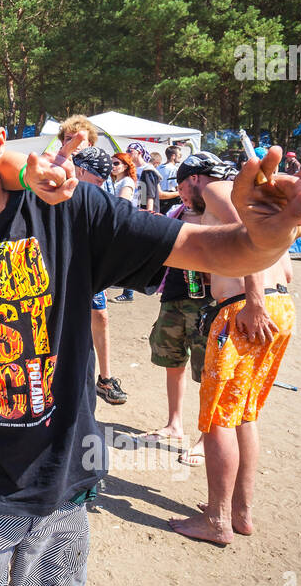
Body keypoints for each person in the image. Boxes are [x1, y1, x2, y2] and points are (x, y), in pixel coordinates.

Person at [0, 74, 301, 586]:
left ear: (0, 141)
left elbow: (223, 252)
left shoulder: (73, 209)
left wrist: (266, 237)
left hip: (63, 482)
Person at [168, 152, 296, 545]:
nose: (182, 195)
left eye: (183, 184)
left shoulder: (220, 189)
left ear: (197, 178)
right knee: (244, 415)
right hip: (280, 306)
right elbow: (284, 267)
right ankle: (240, 512)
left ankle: (217, 520)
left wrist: (252, 300)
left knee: (219, 418)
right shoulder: (249, 201)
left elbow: (247, 233)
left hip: (245, 311)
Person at [143, 200, 211, 449]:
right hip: (173, 297)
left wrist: (206, 274)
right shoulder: (177, 212)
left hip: (206, 303)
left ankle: (207, 438)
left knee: (208, 373)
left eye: (184, 185)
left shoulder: (217, 215)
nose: (180, 191)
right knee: (172, 363)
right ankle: (174, 424)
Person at [70, 147, 129, 405]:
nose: (102, 184)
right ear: (81, 170)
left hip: (89, 267)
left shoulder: (98, 194)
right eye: (98, 178)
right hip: (62, 266)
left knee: (101, 316)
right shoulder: (55, 186)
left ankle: (104, 379)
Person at [109, 153, 138, 302]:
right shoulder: (116, 181)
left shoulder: (126, 181)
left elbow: (121, 204)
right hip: (121, 223)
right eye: (111, 163)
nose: (112, 166)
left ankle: (128, 293)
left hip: (125, 224)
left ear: (125, 166)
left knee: (127, 259)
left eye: (116, 164)